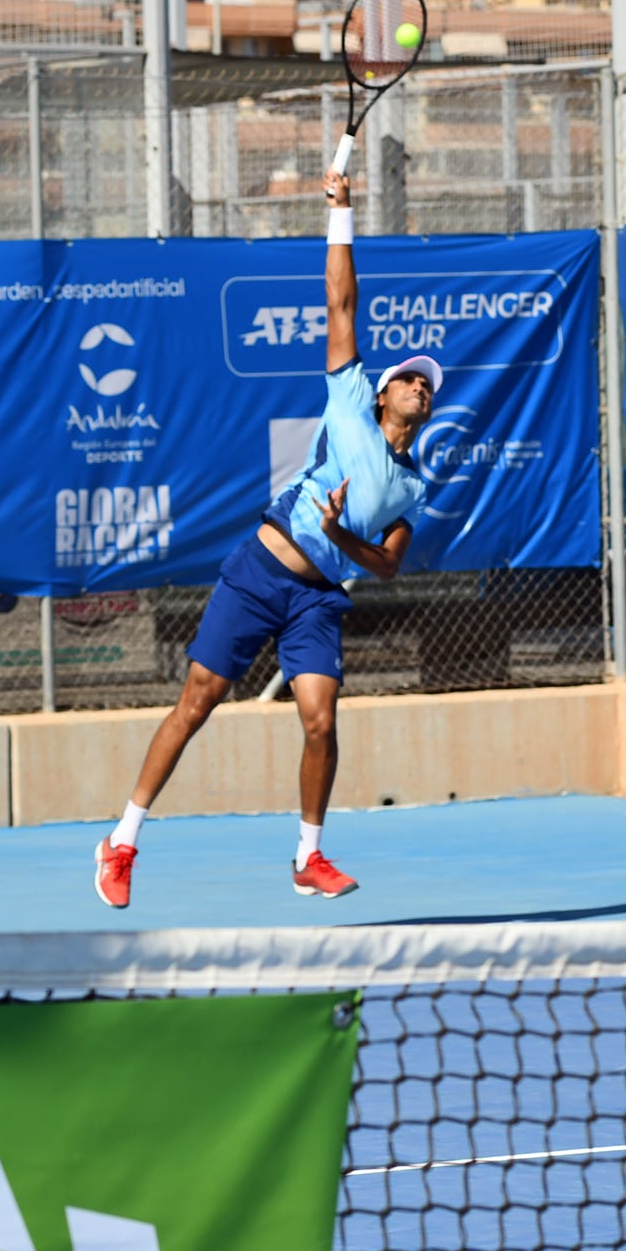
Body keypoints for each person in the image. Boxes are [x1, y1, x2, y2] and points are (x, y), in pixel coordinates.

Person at [93, 169, 433, 909]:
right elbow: (340, 300)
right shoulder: (349, 393)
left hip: (317, 600)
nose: (418, 386)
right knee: (199, 701)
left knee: (320, 718)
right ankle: (121, 842)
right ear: (382, 391)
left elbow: (388, 567)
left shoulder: (414, 487)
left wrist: (343, 532)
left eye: (428, 386)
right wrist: (341, 214)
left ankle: (308, 856)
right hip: (259, 571)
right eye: (409, 377)